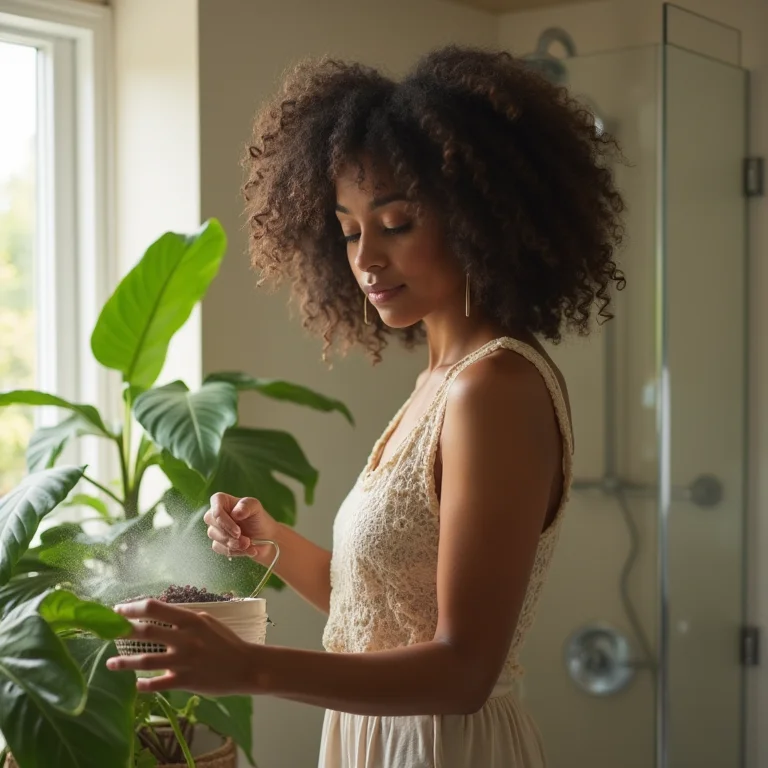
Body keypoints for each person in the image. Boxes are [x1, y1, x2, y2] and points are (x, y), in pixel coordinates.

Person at [108, 45, 626, 767]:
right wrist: (272, 542)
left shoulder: (495, 388)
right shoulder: (441, 381)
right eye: (350, 230)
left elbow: (463, 672)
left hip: (441, 747)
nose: (365, 259)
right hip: (388, 737)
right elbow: (386, 616)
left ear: (479, 217)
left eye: (397, 222)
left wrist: (249, 668)